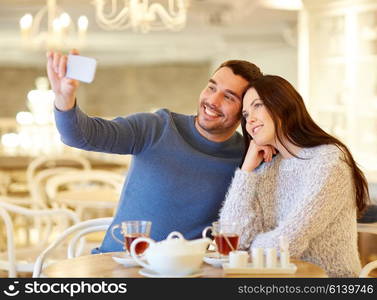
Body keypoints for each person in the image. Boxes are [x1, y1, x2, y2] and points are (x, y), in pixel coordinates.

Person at [46, 49, 266, 253]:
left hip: (181, 276)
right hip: (116, 264)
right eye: (211, 87)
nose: (212, 100)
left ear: (244, 112)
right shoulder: (155, 127)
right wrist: (64, 97)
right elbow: (81, 135)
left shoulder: (246, 160)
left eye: (228, 97)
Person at [219, 75, 370, 277]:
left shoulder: (329, 160)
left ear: (282, 105)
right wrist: (246, 171)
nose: (250, 120)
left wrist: (251, 246)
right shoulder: (266, 167)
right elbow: (232, 240)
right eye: (245, 115)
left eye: (258, 105)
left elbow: (287, 243)